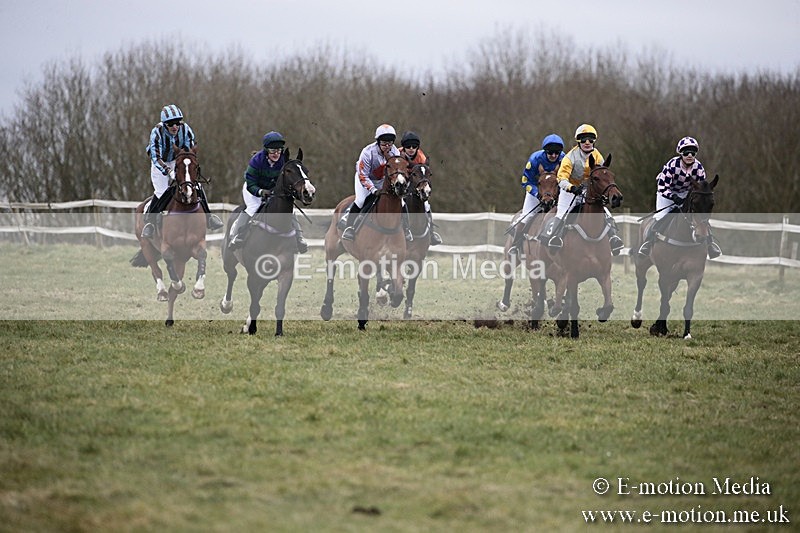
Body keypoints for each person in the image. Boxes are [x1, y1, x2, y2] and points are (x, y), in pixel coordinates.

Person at [539, 124, 624, 255]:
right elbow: (561, 178)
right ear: (578, 141)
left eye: (590, 139)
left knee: (606, 212)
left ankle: (613, 238)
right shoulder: (569, 158)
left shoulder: (597, 155)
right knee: (562, 213)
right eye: (584, 140)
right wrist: (571, 188)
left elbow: (602, 175)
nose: (587, 142)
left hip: (588, 190)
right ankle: (555, 238)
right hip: (569, 191)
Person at [141, 104, 223, 239]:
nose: (175, 127)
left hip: (177, 160)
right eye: (171, 124)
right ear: (165, 124)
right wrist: (168, 171)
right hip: (160, 163)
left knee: (196, 185)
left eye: (177, 123)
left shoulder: (185, 129)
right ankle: (150, 223)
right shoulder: (156, 132)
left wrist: (188, 168)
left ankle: (209, 218)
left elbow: (189, 152)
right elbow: (156, 157)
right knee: (161, 191)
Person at [637, 136, 722, 258]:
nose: (690, 155)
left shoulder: (699, 168)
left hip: (686, 194)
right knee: (661, 216)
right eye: (686, 152)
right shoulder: (672, 165)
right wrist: (673, 197)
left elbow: (700, 188)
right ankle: (647, 243)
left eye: (693, 153)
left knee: (700, 217)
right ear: (681, 153)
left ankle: (710, 244)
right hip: (667, 193)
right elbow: (662, 187)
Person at [228, 131, 307, 252]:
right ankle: (238, 235)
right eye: (273, 151)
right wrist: (260, 192)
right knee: (253, 207)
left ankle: (299, 238)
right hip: (253, 188)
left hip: (272, 189)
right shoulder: (256, 161)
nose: (276, 154)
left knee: (289, 209)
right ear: (266, 150)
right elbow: (250, 183)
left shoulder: (283, 161)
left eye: (279, 150)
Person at [341, 124, 409, 242]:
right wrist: (373, 189)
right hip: (365, 178)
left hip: (382, 180)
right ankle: (350, 227)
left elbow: (396, 172)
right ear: (378, 142)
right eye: (384, 143)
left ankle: (407, 229)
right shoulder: (367, 152)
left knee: (401, 202)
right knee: (361, 200)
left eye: (390, 143)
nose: (387, 146)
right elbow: (363, 175)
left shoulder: (394, 152)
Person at [508, 133, 565, 256]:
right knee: (527, 215)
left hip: (555, 190)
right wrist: (537, 194)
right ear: (545, 151)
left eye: (557, 153)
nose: (554, 156)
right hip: (537, 189)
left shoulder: (564, 159)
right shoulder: (535, 159)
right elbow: (526, 181)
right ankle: (515, 245)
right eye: (550, 153)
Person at [398, 131, 443, 245]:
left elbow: (424, 176)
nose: (411, 149)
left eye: (414, 146)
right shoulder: (397, 154)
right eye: (408, 146)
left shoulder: (421, 158)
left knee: (426, 205)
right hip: (400, 179)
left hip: (415, 182)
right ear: (404, 147)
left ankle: (431, 232)